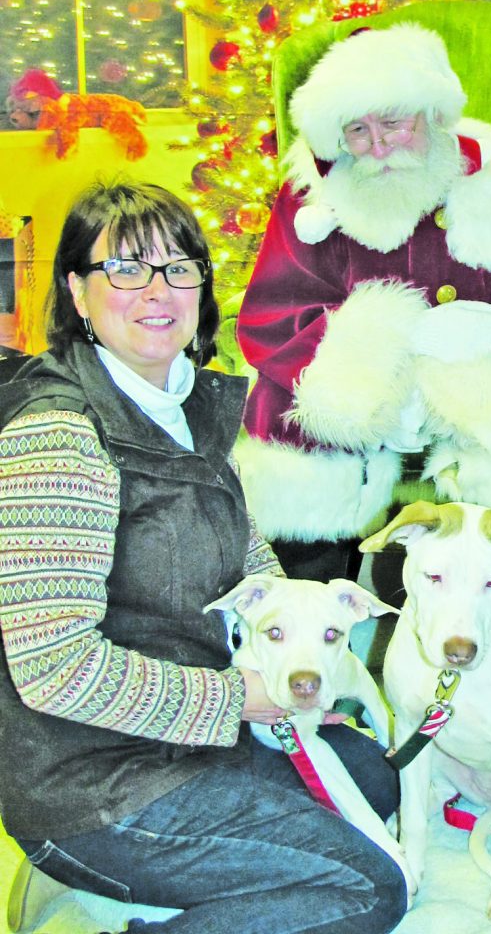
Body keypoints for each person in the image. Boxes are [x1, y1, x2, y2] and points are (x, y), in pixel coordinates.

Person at [0, 181, 406, 934]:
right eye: (126, 268)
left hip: (187, 739)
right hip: (94, 781)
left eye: (177, 267)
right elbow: (53, 668)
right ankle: (90, 878)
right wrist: (239, 698)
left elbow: (246, 554)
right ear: (78, 292)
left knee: (374, 780)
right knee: (365, 890)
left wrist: (298, 644)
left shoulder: (184, 408)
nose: (157, 290)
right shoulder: (59, 435)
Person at [235, 23, 491, 606]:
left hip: (487, 380)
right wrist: (394, 346)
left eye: (392, 122)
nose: (378, 146)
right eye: (357, 130)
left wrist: (479, 360)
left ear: (432, 112)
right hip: (357, 387)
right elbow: (273, 314)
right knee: (291, 421)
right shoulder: (313, 193)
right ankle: (309, 617)